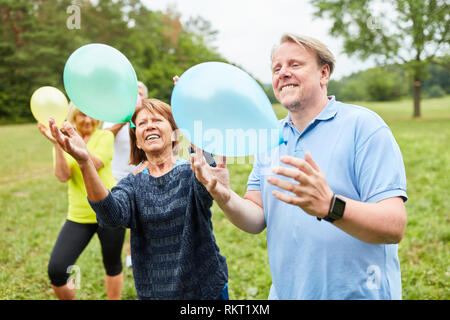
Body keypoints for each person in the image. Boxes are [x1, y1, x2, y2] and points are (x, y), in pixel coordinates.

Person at [190, 33, 407, 299]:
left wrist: (331, 206)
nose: (283, 73)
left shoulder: (364, 127)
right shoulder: (268, 139)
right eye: (276, 68)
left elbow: (394, 226)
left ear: (323, 73)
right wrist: (224, 195)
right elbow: (257, 218)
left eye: (295, 64)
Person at [47, 98, 228, 300]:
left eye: (157, 120)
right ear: (138, 141)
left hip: (205, 290)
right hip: (156, 293)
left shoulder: (191, 172)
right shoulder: (131, 184)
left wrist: (193, 116)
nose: (149, 125)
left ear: (173, 133)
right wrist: (84, 162)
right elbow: (111, 216)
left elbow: (209, 176)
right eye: (142, 123)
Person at [38, 103, 125, 300]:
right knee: (57, 269)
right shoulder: (63, 141)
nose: (88, 120)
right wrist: (58, 145)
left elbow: (95, 163)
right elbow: (62, 176)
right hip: (79, 214)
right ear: (73, 117)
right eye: (82, 115)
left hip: (110, 211)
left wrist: (69, 145)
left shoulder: (105, 136)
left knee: (112, 264)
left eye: (92, 115)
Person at [102, 80, 148, 268]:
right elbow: (104, 137)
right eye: (133, 93)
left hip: (144, 174)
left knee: (141, 217)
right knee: (120, 216)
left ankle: (132, 253)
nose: (137, 96)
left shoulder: (148, 117)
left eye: (140, 93)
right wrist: (124, 118)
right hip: (118, 176)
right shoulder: (114, 115)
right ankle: (118, 255)